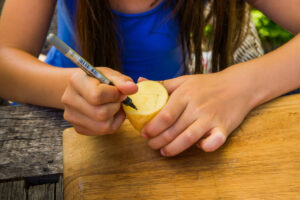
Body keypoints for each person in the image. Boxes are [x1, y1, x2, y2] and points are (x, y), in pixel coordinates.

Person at [0, 0, 299, 157]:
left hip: (169, 124)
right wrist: (67, 87)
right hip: (58, 120)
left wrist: (242, 85)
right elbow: (5, 63)